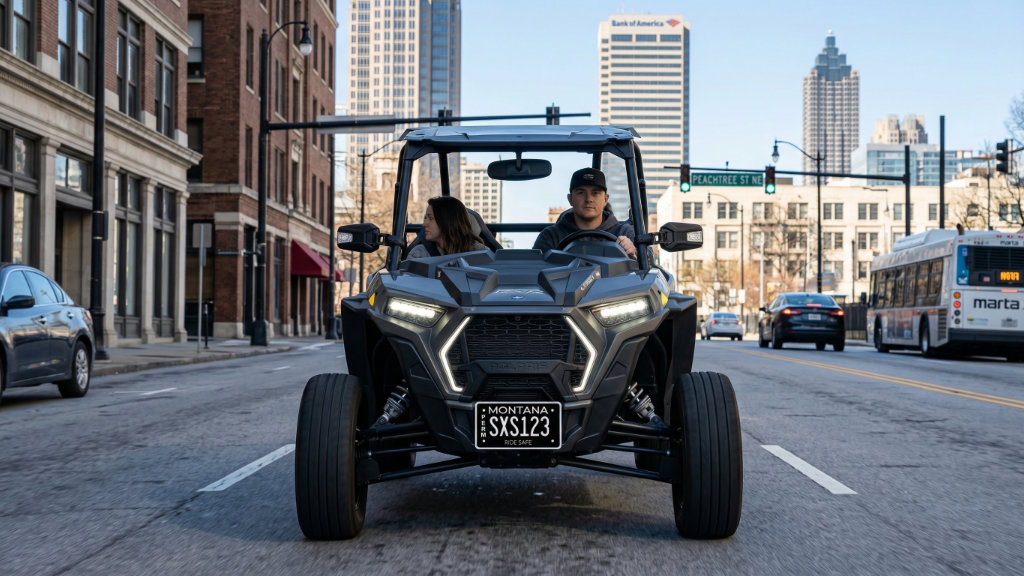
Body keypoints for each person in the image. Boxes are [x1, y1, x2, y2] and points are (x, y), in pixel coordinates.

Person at [533, 167, 637, 258]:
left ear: (606, 199)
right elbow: (535, 272)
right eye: (581, 193)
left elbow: (647, 268)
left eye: (595, 193)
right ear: (570, 199)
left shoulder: (624, 233)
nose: (588, 199)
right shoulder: (551, 236)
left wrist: (633, 254)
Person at [406, 195, 489, 258]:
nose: (424, 224)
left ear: (448, 221)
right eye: (425, 218)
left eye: (430, 218)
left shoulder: (480, 253)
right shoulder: (419, 254)